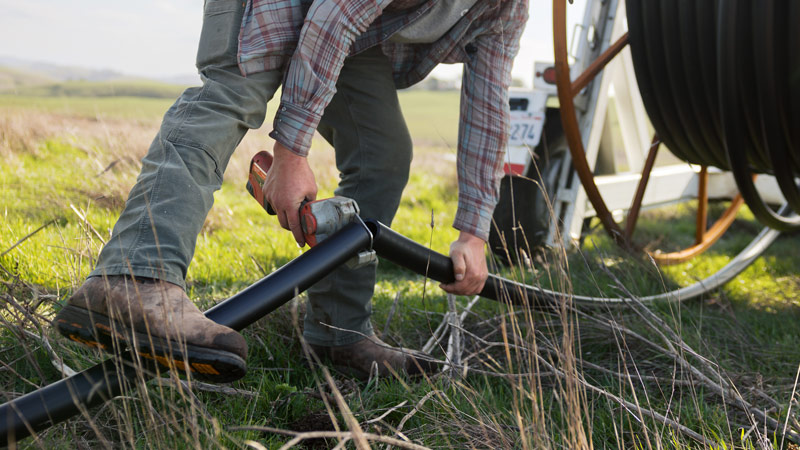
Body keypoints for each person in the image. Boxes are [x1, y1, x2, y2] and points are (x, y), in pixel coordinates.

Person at [54, 0, 528, 382]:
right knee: (230, 98)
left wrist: (473, 232)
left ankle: (338, 332)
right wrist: (291, 154)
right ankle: (131, 279)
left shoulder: (507, 8)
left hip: (351, 24)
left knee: (382, 154)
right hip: (304, 8)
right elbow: (333, 15)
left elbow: (488, 107)